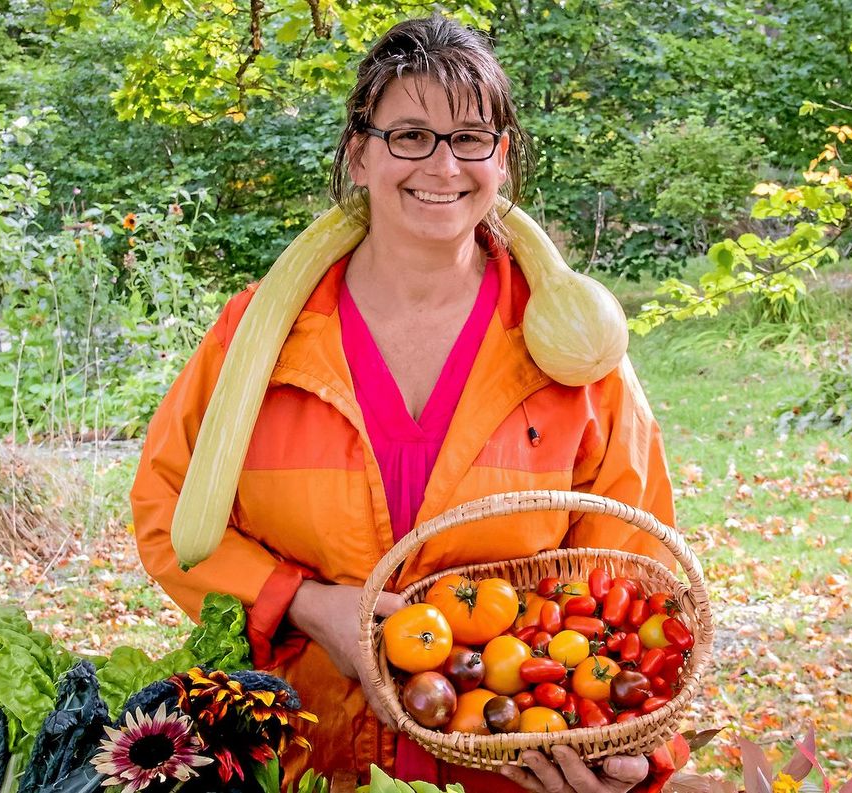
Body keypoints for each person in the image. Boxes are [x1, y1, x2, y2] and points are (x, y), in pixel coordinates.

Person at [131, 14, 678, 793]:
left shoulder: (573, 347)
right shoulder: (260, 335)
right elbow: (167, 515)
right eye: (410, 135)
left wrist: (636, 758)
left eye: (471, 137)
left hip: (515, 770)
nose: (443, 164)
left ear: (504, 158)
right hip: (300, 761)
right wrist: (308, 604)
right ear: (359, 152)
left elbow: (638, 578)